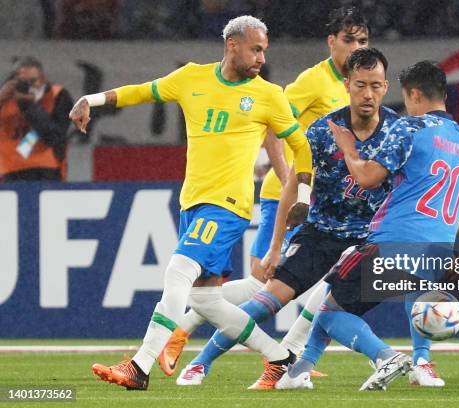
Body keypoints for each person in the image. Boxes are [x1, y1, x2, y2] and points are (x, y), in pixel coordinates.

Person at [68, 15, 313, 391]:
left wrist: (305, 195)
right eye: (256, 48)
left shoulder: (268, 95)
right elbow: (141, 91)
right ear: (233, 45)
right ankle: (280, 358)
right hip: (193, 203)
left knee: (178, 272)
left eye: (264, 49)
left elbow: (301, 144)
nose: (262, 57)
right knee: (206, 300)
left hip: (227, 204)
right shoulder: (192, 78)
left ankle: (140, 364)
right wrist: (92, 99)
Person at [160, 6, 370, 378]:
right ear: (331, 42)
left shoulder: (353, 86)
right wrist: (290, 175)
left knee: (319, 278)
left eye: (363, 41)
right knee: (266, 280)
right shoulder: (313, 81)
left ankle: (289, 352)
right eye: (349, 40)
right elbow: (273, 125)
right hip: (288, 198)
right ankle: (188, 330)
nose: (357, 48)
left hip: (323, 201)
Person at [276, 61, 459, 391]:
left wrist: (348, 149)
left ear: (414, 93)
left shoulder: (410, 129)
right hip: (437, 251)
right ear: (443, 94)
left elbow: (367, 178)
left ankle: (386, 356)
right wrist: (444, 235)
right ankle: (300, 370)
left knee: (332, 311)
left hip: (391, 241)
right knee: (340, 298)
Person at [0, 57, 73, 181]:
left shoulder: (58, 96)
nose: (29, 86)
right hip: (10, 170)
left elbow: (54, 136)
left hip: (46, 169)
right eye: (23, 82)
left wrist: (28, 105)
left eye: (33, 81)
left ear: (43, 80)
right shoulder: (6, 96)